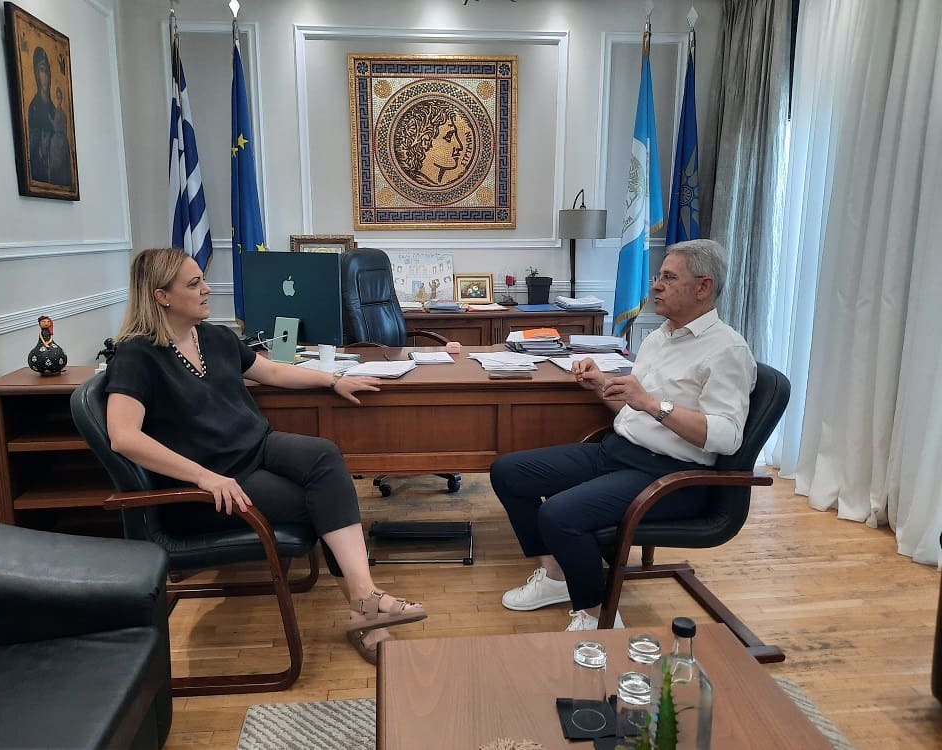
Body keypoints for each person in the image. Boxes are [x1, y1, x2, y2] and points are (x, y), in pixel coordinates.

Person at [104, 247, 426, 664]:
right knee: (320, 501)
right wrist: (203, 476)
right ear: (161, 296)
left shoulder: (214, 337)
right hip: (215, 484)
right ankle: (367, 613)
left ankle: (365, 598)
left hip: (256, 447)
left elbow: (271, 371)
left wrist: (333, 380)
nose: (207, 290)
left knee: (325, 456)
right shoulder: (136, 355)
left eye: (203, 280)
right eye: (195, 283)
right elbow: (123, 437)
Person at [490, 239, 756, 632]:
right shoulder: (659, 337)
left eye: (669, 278)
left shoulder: (727, 350)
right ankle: (556, 577)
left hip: (671, 476)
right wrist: (603, 386)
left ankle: (600, 617)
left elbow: (727, 436)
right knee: (509, 472)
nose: (656, 286)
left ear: (703, 287)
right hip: (618, 452)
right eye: (657, 276)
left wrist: (650, 402)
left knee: (559, 514)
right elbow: (636, 411)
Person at [27, 46, 71, 186]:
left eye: (47, 70)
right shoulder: (33, 108)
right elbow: (33, 148)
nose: (45, 74)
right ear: (36, 74)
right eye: (41, 69)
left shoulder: (54, 109)